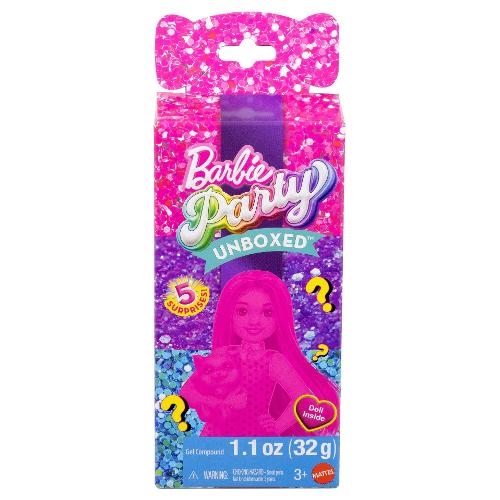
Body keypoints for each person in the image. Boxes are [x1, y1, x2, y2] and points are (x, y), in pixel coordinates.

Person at [180, 270, 340, 436]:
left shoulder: (273, 360)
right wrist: (218, 403)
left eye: (268, 313)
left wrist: (277, 427)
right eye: (242, 311)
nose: (254, 321)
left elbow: (302, 398)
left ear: (279, 318)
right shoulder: (224, 353)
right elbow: (187, 392)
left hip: (254, 436)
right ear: (230, 315)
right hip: (216, 435)